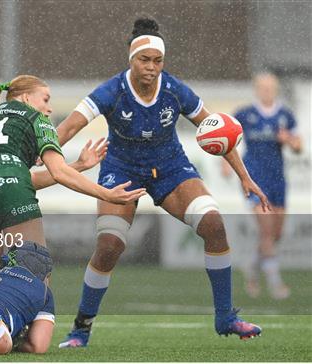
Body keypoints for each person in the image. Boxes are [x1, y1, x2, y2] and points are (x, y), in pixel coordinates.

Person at [56, 17, 269, 347]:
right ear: (131, 59)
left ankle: (226, 318)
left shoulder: (174, 90)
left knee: (214, 224)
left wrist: (245, 177)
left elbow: (220, 132)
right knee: (109, 246)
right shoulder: (111, 90)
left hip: (170, 169)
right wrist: (42, 152)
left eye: (157, 61)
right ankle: (81, 329)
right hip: (121, 170)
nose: (151, 67)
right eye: (144, 60)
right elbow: (67, 129)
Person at [0, 75, 146, 264]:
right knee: (34, 268)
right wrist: (107, 194)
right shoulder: (36, 118)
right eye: (45, 99)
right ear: (26, 98)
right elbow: (55, 172)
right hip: (13, 189)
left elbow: (13, 177)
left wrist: (78, 165)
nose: (49, 108)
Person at [229, 72, 301, 299]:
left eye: (270, 88)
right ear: (256, 89)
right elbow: (227, 139)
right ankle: (275, 283)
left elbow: (299, 147)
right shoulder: (244, 114)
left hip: (278, 180)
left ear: (276, 89)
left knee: (276, 233)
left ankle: (251, 266)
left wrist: (288, 140)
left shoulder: (285, 115)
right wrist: (225, 161)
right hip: (254, 179)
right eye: (262, 88)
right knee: (267, 230)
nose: (266, 91)